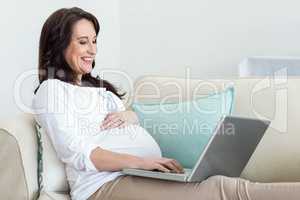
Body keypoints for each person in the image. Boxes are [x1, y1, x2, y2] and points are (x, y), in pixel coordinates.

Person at [32, 7, 300, 200]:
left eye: (94, 41)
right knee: (222, 190)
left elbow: (124, 121)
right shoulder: (51, 90)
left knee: (223, 183)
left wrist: (131, 117)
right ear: (58, 46)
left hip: (138, 175)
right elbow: (80, 153)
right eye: (83, 42)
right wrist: (140, 162)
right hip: (104, 186)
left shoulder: (99, 89)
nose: (92, 50)